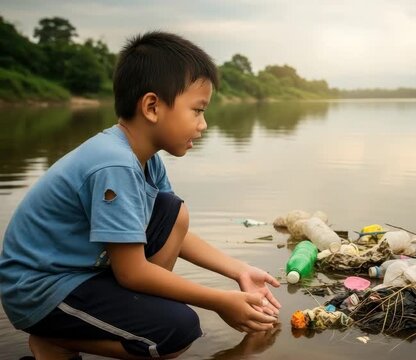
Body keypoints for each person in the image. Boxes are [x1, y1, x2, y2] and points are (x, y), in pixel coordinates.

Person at [0, 31, 281, 360]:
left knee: (173, 212)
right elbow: (131, 272)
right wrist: (218, 300)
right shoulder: (114, 165)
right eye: (197, 110)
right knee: (175, 331)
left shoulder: (145, 160)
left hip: (80, 273)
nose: (203, 125)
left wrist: (238, 270)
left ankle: (126, 317)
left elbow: (175, 229)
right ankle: (56, 341)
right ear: (151, 107)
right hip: (40, 290)